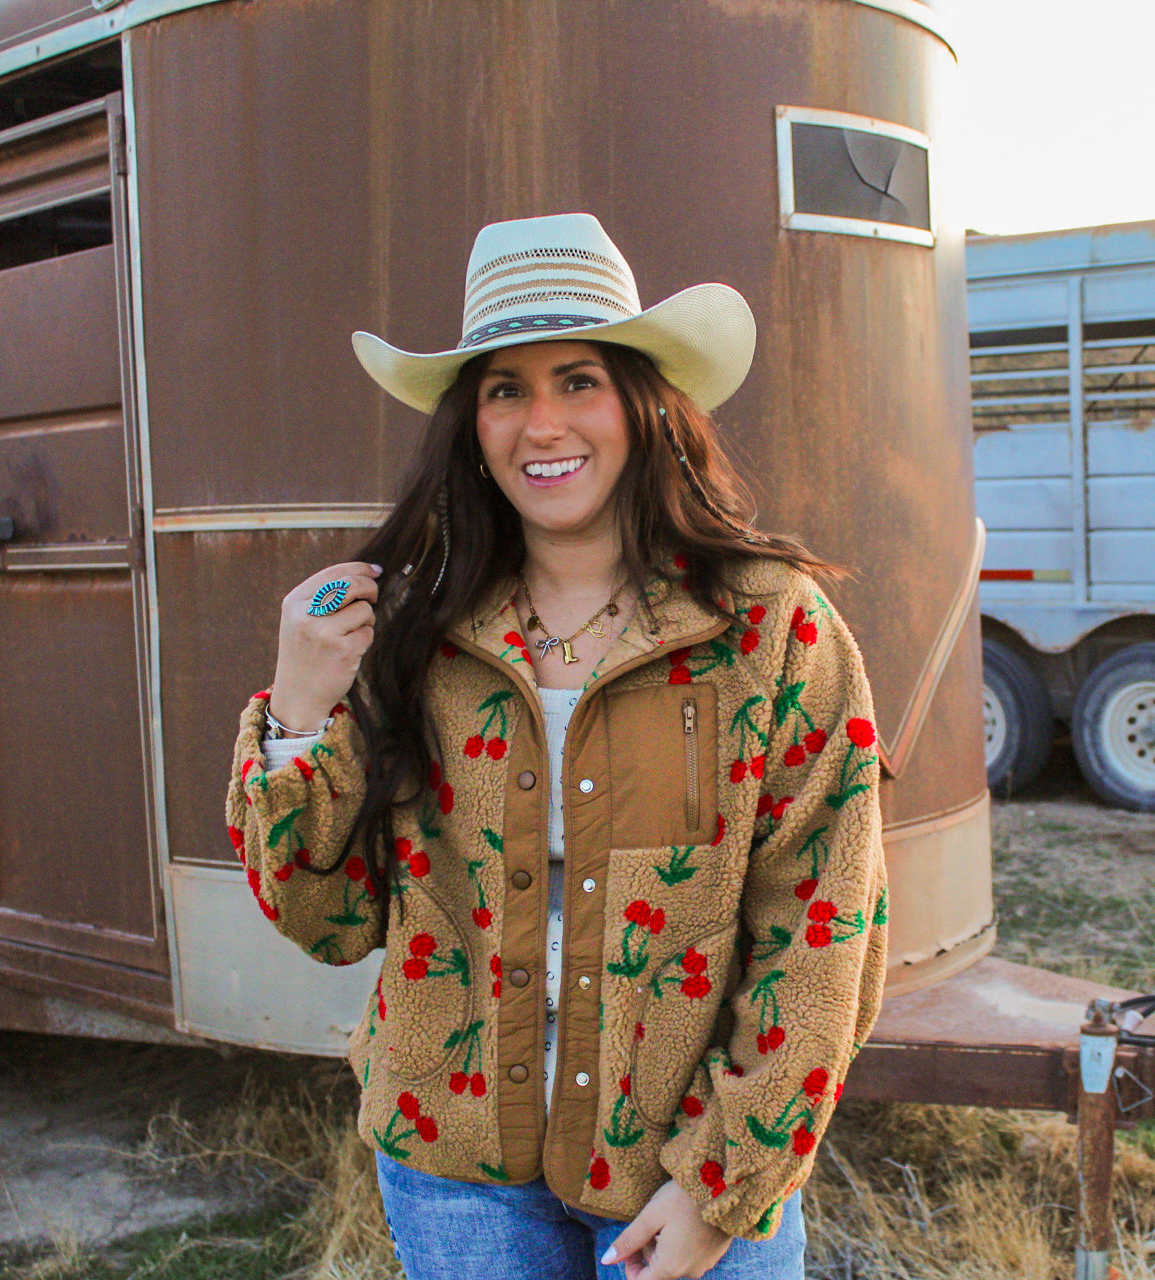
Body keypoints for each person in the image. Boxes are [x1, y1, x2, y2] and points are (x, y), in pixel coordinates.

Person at [227, 212, 888, 1280]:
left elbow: (824, 925)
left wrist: (722, 1184)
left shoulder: (770, 627)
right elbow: (329, 919)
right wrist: (300, 714)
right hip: (457, 1178)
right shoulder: (413, 633)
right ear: (471, 425)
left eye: (578, 380)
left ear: (642, 401)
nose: (542, 424)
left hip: (683, 1170)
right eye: (505, 390)